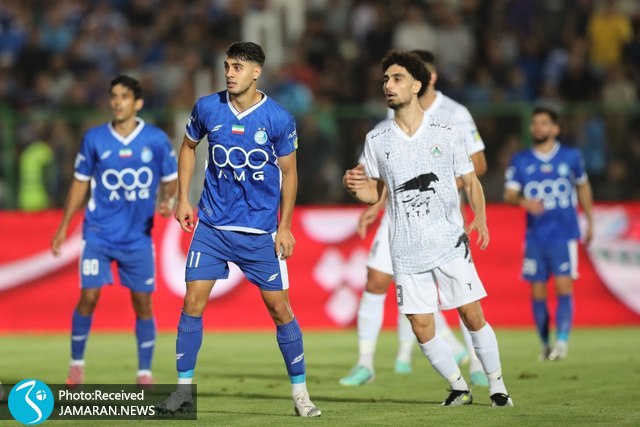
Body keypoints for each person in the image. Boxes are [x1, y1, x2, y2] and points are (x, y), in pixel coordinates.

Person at [155, 42, 321, 417]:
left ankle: (301, 395)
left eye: (238, 67)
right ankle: (182, 392)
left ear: (256, 72)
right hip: (212, 227)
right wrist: (184, 198)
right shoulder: (207, 107)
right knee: (192, 303)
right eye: (228, 66)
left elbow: (290, 173)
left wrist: (285, 226)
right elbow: (187, 147)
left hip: (260, 232)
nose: (230, 73)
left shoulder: (278, 118)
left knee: (280, 310)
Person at [343, 50, 512, 407]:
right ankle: (458, 386)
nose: (388, 85)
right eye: (385, 79)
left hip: (448, 240)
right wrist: (359, 191)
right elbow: (377, 191)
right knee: (421, 326)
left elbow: (471, 179)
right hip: (405, 246)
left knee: (471, 314)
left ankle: (497, 386)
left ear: (417, 85)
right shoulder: (377, 139)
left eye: (397, 79)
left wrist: (480, 217)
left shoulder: (448, 131)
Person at [51, 75, 178, 386]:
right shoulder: (95, 138)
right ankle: (76, 365)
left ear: (138, 103)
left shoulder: (155, 139)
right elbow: (80, 183)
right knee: (89, 296)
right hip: (99, 233)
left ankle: (144, 372)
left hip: (138, 238)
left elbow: (171, 178)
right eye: (114, 96)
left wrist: (169, 200)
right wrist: (64, 225)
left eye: (124, 97)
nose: (118, 102)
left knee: (142, 303)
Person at [504, 106, 593, 361]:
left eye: (544, 123)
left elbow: (583, 186)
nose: (538, 127)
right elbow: (509, 194)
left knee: (564, 285)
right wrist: (524, 202)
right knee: (537, 292)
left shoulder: (571, 156)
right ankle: (545, 345)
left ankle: (562, 343)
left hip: (564, 234)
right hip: (535, 236)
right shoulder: (521, 160)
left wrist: (590, 220)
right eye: (535, 123)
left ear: (555, 128)